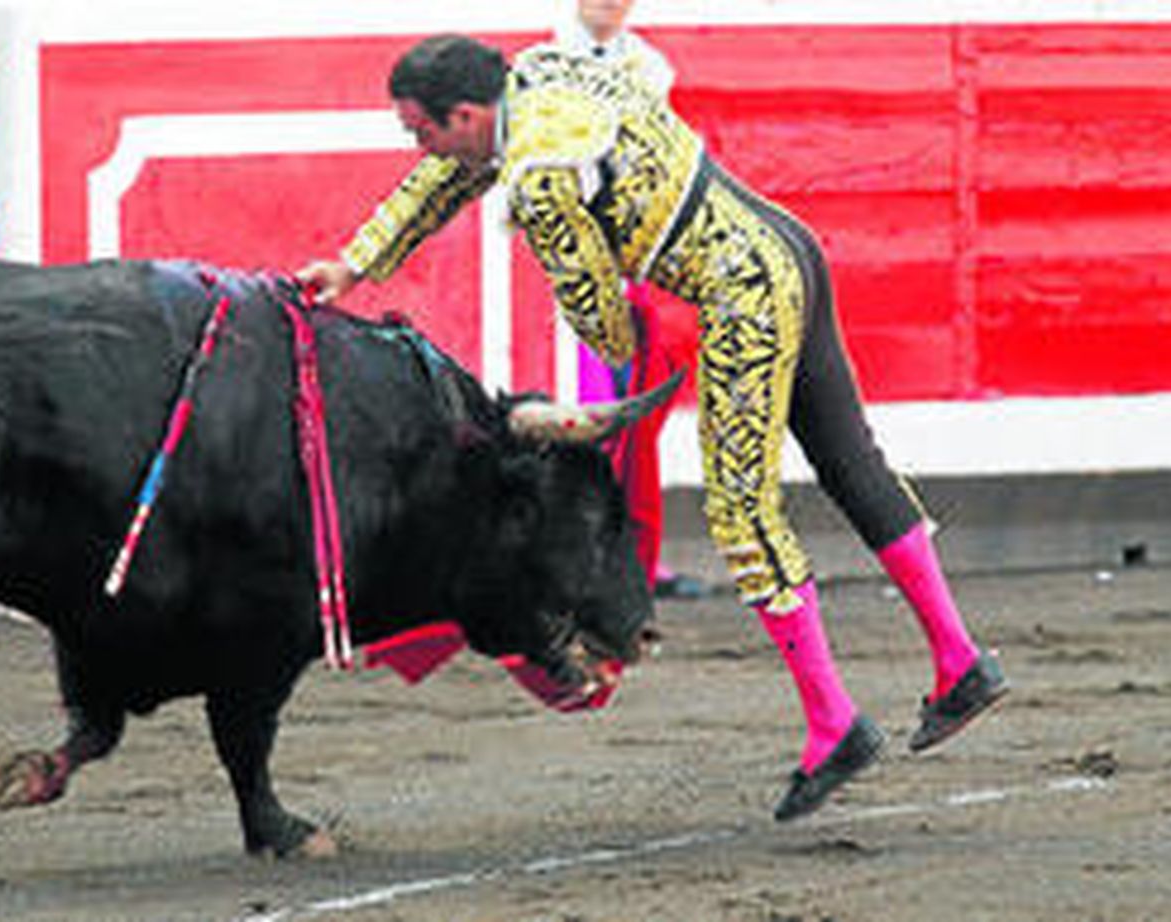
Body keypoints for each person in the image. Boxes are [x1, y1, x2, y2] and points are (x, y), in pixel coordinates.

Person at [298, 35, 1008, 821]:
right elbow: (449, 175)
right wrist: (357, 263)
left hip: (741, 292)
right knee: (850, 463)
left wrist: (625, 376)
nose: (417, 146)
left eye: (421, 130)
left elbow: (601, 316)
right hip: (785, 247)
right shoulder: (537, 72)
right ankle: (959, 660)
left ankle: (835, 723)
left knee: (743, 514)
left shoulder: (539, 180)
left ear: (466, 114)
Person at [550, 0, 708, 601]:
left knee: (629, 415)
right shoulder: (545, 63)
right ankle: (580, 556)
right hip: (569, 267)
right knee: (588, 413)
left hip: (627, 267)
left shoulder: (648, 66)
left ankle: (626, 557)